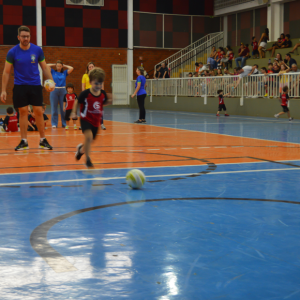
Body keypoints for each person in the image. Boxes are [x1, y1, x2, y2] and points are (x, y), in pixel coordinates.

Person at [0, 25, 54, 151]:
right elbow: (6, 72)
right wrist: (3, 90)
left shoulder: (37, 50)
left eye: (28, 36)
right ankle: (23, 141)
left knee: (38, 112)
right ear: (18, 37)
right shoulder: (12, 52)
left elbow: (44, 67)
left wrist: (51, 80)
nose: (26, 39)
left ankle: (43, 140)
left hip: (35, 85)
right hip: (20, 86)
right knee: (23, 113)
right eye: (23, 36)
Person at [71, 68, 112, 168]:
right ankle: (87, 159)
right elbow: (77, 102)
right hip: (85, 119)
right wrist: (73, 112)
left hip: (96, 121)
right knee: (88, 137)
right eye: (96, 83)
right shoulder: (85, 94)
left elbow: (103, 102)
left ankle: (81, 150)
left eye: (100, 84)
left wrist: (110, 100)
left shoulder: (103, 94)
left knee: (89, 141)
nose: (98, 86)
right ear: (90, 82)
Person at [47, 60, 74, 128]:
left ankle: (64, 123)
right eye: (58, 66)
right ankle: (54, 124)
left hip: (63, 90)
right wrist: (54, 64)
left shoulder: (64, 73)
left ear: (62, 67)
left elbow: (71, 68)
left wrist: (64, 65)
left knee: (64, 108)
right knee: (54, 107)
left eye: (60, 66)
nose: (59, 67)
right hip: (54, 90)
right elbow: (46, 65)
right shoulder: (53, 71)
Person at [82, 62, 106, 130]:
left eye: (92, 66)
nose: (91, 68)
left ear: (94, 67)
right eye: (90, 67)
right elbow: (83, 86)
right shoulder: (85, 76)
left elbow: (102, 85)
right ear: (88, 68)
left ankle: (101, 124)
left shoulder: (98, 75)